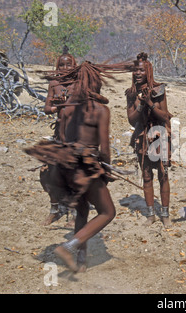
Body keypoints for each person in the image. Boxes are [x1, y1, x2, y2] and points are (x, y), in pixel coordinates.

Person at [26, 61, 133, 273]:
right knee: (107, 212)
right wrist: (106, 169)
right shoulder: (100, 110)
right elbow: (104, 148)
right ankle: (69, 247)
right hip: (85, 166)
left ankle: (82, 262)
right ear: (96, 84)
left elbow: (64, 140)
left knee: (82, 209)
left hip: (65, 164)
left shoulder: (66, 109)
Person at [126, 53, 173, 228]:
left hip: (159, 134)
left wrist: (150, 103)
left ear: (148, 71)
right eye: (135, 70)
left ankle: (165, 214)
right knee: (146, 175)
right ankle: (151, 214)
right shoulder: (131, 93)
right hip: (142, 137)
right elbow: (131, 119)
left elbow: (165, 115)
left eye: (141, 70)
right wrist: (141, 104)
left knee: (163, 174)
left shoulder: (158, 89)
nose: (137, 73)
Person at [40, 47, 78, 226]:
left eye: (68, 65)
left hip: (75, 134)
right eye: (61, 65)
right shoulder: (54, 84)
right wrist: (57, 107)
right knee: (48, 172)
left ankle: (74, 212)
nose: (64, 68)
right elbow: (47, 108)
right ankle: (54, 208)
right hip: (59, 135)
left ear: (74, 66)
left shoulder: (79, 83)